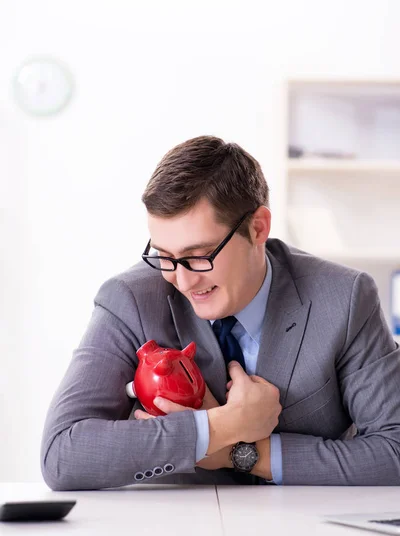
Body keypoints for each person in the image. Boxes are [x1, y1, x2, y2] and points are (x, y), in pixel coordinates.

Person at [41, 135, 400, 490]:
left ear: (258, 228)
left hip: (306, 532)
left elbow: (394, 451)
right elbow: (62, 454)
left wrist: (240, 453)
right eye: (164, 255)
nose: (181, 280)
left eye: (199, 255)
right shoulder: (130, 299)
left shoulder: (344, 298)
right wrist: (222, 427)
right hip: (171, 532)